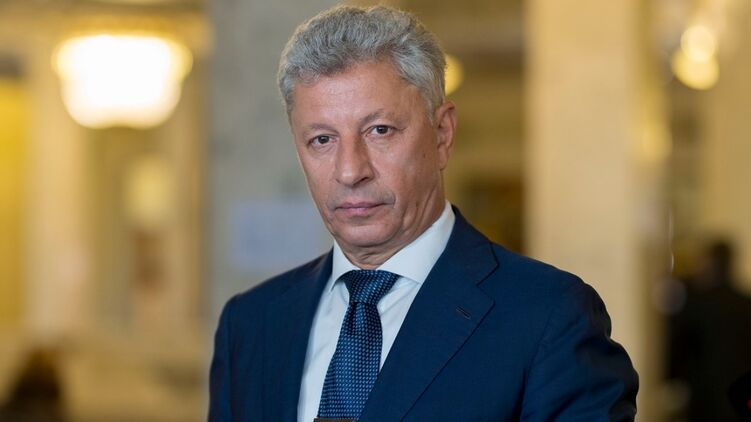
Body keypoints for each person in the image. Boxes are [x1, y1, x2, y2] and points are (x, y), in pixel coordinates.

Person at [209, 5, 638, 421]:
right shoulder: (250, 323)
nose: (350, 171)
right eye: (322, 139)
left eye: (379, 131)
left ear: (442, 134)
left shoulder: (549, 316)